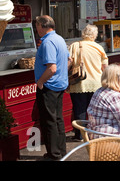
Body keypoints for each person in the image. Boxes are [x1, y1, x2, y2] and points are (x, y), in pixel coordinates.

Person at [34, 15, 69, 160]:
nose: (36, 29)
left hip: (49, 86)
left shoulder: (47, 42)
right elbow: (69, 60)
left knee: (49, 121)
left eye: (37, 26)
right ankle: (61, 151)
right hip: (59, 85)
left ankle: (53, 155)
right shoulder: (59, 38)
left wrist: (41, 82)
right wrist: (62, 75)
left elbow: (52, 68)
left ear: (43, 26)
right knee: (58, 120)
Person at [68, 24, 108, 141]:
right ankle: (93, 133)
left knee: (79, 109)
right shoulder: (99, 47)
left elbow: (68, 62)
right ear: (94, 35)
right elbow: (105, 67)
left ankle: (80, 135)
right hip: (96, 83)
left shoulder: (75, 46)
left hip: (79, 82)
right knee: (94, 110)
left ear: (83, 33)